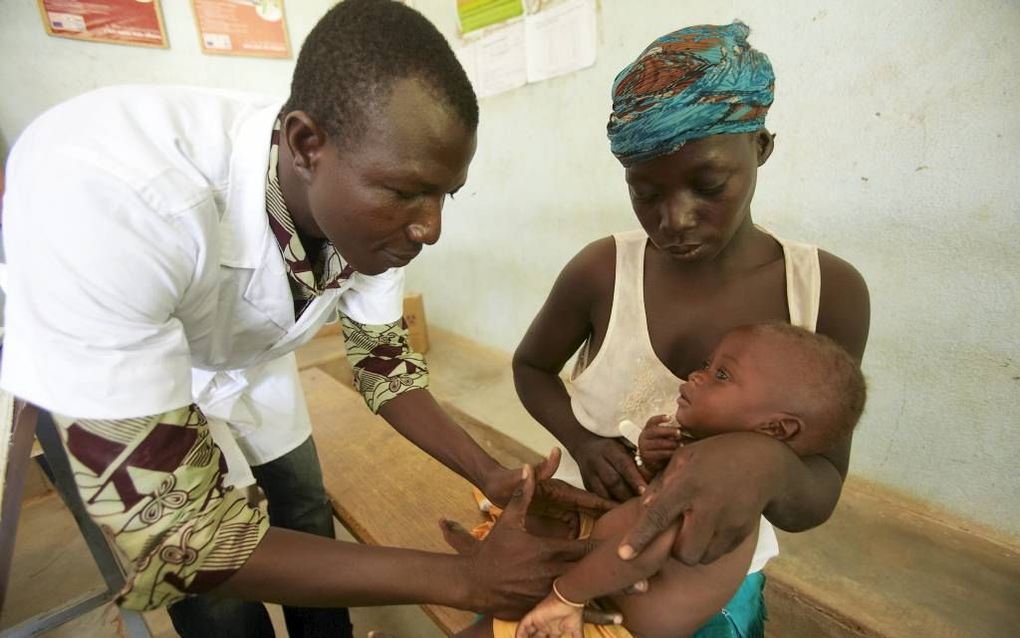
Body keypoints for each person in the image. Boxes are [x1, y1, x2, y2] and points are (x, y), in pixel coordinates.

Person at [0, 1, 612, 636]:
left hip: (249, 361)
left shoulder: (369, 196)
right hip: (131, 369)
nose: (431, 228)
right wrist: (464, 579)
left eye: (444, 194)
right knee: (218, 602)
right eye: (408, 193)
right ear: (305, 145)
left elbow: (384, 367)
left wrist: (490, 474)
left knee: (302, 507)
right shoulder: (112, 197)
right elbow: (181, 541)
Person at [512, 21, 871, 636]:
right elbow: (531, 367)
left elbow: (819, 489)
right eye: (644, 192)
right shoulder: (603, 271)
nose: (673, 219)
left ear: (760, 147)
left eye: (709, 186)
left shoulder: (823, 291)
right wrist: (584, 441)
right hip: (579, 558)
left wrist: (765, 466)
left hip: (704, 587)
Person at [492, 323, 867, 638]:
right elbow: (651, 496)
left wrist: (565, 594)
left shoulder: (718, 490)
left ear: (775, 427)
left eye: (721, 374)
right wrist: (651, 456)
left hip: (613, 615)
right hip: (604, 582)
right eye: (708, 364)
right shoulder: (706, 453)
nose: (696, 375)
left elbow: (642, 553)